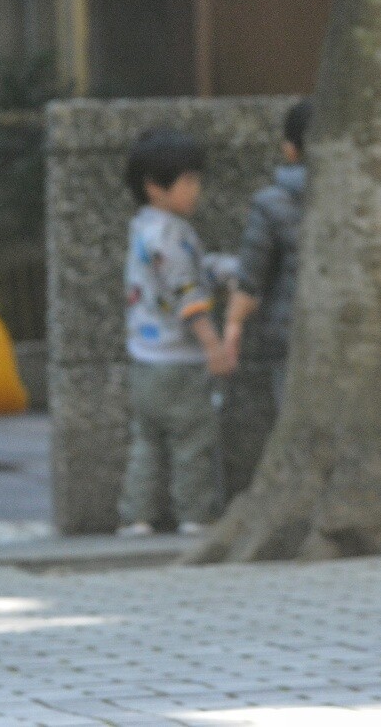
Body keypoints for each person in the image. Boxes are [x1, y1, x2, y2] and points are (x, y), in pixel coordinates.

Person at [119, 129, 232, 536]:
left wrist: (223, 268)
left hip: (144, 356)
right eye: (188, 181)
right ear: (154, 187)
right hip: (180, 359)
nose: (196, 190)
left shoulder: (144, 228)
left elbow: (192, 270)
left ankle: (136, 516)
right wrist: (213, 344)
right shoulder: (171, 233)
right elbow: (188, 294)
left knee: (147, 441)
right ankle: (196, 515)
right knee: (193, 440)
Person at [217, 99, 311, 495]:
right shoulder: (367, 197)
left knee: (293, 424)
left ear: (290, 148)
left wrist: (232, 329)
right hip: (355, 336)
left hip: (288, 336)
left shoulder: (272, 202)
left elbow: (251, 279)